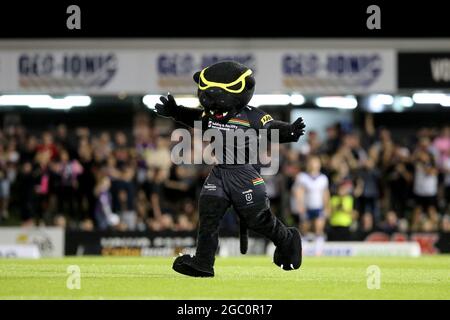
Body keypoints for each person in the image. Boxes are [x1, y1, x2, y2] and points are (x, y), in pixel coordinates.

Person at [154, 61, 306, 277]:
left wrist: (289, 131)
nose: (215, 109)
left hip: (244, 174)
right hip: (219, 172)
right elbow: (195, 118)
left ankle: (287, 239)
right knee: (208, 216)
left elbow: (270, 127)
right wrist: (175, 111)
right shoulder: (211, 117)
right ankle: (203, 263)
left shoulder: (252, 116)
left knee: (257, 221)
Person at [293, 156, 330, 253]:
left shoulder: (323, 178)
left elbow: (325, 193)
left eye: (317, 163)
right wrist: (300, 204)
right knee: (304, 228)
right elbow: (298, 192)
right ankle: (302, 249)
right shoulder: (302, 177)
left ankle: (318, 251)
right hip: (307, 206)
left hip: (318, 206)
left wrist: (327, 207)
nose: (314, 165)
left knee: (319, 228)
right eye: (312, 162)